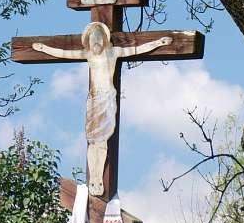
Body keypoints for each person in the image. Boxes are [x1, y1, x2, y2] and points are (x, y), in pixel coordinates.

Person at [32, 22, 172, 195]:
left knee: (103, 140)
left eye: (98, 39)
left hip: (106, 99)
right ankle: (94, 177)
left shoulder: (113, 52)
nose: (95, 42)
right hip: (93, 99)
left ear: (105, 40)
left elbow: (137, 49)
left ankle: (98, 179)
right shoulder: (88, 55)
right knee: (92, 141)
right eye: (92, 39)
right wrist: (43, 48)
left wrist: (158, 43)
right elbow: (64, 53)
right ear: (88, 42)